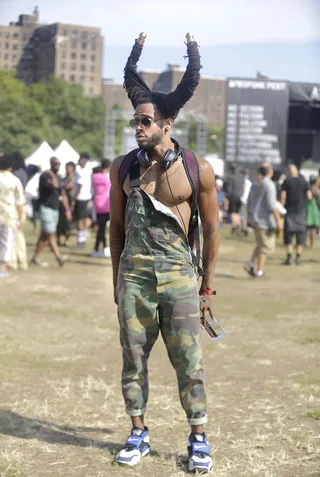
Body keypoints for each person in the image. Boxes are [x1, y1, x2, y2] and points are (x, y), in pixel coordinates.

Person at [110, 32, 219, 473]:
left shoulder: (198, 169)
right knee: (133, 360)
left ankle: (198, 437)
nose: (138, 128)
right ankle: (138, 432)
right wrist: (116, 281)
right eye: (135, 121)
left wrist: (207, 288)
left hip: (180, 280)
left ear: (167, 124)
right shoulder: (122, 168)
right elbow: (115, 229)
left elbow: (212, 231)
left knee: (188, 363)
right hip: (134, 280)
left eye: (145, 122)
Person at [30, 157, 70, 267]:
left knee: (44, 236)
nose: (57, 166)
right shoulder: (45, 176)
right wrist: (52, 175)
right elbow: (55, 185)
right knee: (51, 234)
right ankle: (59, 257)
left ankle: (34, 258)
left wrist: (67, 210)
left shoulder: (59, 177)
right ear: (51, 164)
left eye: (59, 164)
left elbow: (63, 193)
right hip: (46, 209)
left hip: (55, 210)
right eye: (55, 164)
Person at [245, 163, 282, 278]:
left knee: (260, 244)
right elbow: (272, 205)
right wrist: (278, 219)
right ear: (270, 172)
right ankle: (259, 271)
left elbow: (249, 202)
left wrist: (249, 217)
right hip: (265, 221)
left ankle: (250, 263)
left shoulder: (255, 184)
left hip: (255, 220)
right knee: (265, 247)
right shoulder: (269, 184)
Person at [280, 164, 312, 265]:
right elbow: (309, 196)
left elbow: (283, 196)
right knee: (300, 235)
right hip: (301, 211)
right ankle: (298, 258)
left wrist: (281, 207)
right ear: (297, 171)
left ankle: (289, 257)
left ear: (289, 172)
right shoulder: (304, 182)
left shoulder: (287, 181)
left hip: (290, 211)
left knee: (288, 235)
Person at [0, 155, 25, 277]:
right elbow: (20, 202)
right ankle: (3, 266)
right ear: (10, 167)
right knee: (7, 240)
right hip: (9, 214)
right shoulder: (15, 180)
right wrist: (21, 218)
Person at [91, 159, 112, 257]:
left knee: (101, 228)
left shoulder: (94, 177)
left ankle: (102, 248)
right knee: (102, 229)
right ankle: (99, 249)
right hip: (106, 205)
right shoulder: (108, 177)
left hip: (97, 204)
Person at [74, 152, 92, 248]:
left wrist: (74, 198)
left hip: (80, 197)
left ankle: (80, 241)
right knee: (86, 219)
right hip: (88, 197)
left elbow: (79, 185)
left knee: (79, 220)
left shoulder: (79, 171)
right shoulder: (89, 170)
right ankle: (83, 238)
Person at [57, 162, 77, 247]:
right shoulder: (63, 179)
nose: (67, 171)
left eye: (69, 170)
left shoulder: (74, 180)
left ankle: (66, 240)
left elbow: (69, 188)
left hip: (70, 204)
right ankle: (58, 240)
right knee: (60, 223)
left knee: (69, 224)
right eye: (66, 170)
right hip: (62, 205)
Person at [224, 163, 244, 235]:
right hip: (239, 197)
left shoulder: (230, 177)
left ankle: (234, 227)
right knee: (237, 213)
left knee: (233, 213)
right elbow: (243, 187)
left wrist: (227, 196)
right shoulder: (241, 177)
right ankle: (238, 227)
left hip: (233, 197)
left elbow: (229, 189)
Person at [305, 175, 320, 249]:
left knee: (305, 228)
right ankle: (311, 245)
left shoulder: (306, 189)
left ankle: (303, 243)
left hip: (306, 209)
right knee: (313, 229)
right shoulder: (317, 190)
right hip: (314, 211)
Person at [240, 168, 252, 236]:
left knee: (243, 216)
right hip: (247, 200)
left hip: (243, 200)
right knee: (244, 215)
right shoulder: (250, 183)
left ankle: (244, 229)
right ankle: (244, 228)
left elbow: (243, 191)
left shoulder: (244, 182)